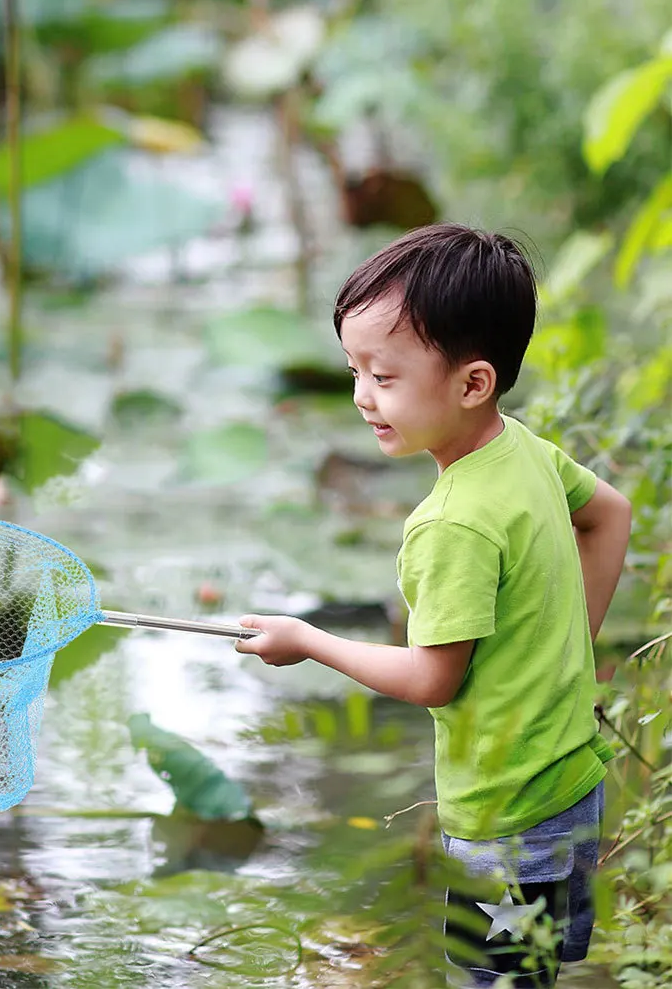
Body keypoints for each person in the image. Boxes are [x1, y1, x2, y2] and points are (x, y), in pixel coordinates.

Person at [235, 224, 632, 988]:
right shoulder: (522, 448)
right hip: (573, 787)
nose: (360, 397)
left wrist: (310, 641)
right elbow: (610, 513)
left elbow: (430, 680)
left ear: (472, 383)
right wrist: (567, 648)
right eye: (353, 371)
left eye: (383, 376)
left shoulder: (450, 523)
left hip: (509, 815)